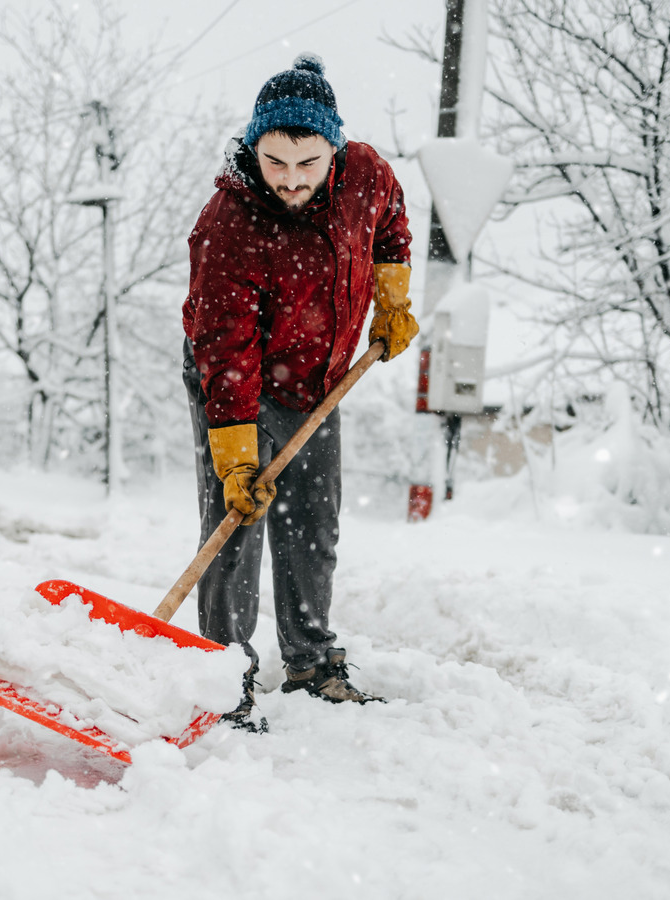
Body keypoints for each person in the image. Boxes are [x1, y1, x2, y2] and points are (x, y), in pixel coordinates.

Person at [181, 53, 420, 732]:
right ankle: (222, 675)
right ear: (253, 147)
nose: (290, 180)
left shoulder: (368, 175)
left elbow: (392, 222)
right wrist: (235, 457)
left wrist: (392, 296)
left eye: (307, 163)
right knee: (239, 521)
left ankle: (312, 662)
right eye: (275, 161)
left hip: (318, 381)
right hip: (237, 384)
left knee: (313, 520)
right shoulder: (229, 225)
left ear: (334, 151)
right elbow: (225, 349)